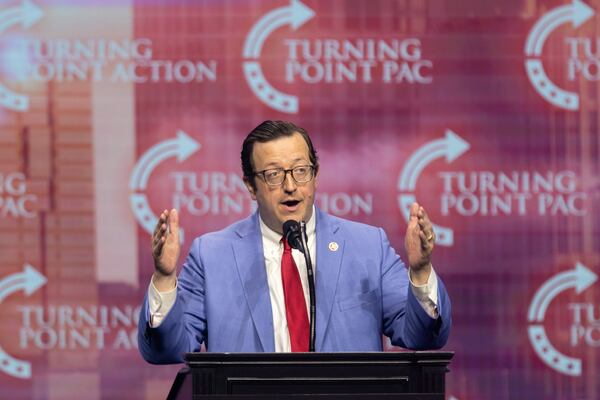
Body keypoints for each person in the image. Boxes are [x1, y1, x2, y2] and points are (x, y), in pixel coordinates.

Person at [138, 120, 451, 364]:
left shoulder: (367, 246)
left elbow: (421, 335)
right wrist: (165, 280)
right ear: (250, 185)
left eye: (301, 171)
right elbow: (169, 350)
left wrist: (422, 272)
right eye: (274, 175)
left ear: (315, 174)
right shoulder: (212, 255)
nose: (290, 186)